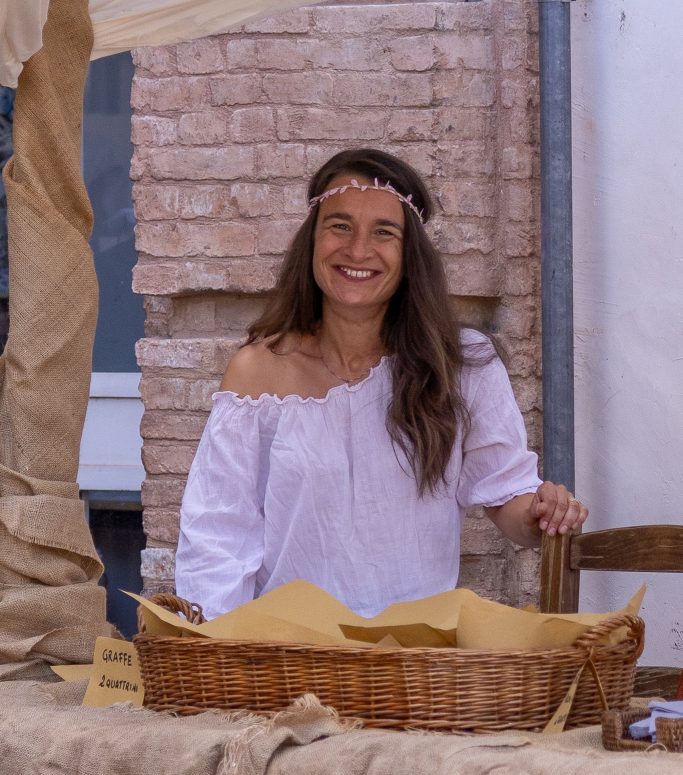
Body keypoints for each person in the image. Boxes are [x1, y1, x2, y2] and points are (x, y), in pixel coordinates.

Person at [175, 149, 588, 619]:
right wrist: (215, 644)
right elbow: (218, 532)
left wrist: (541, 514)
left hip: (414, 649)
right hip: (290, 649)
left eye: (384, 232)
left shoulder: (462, 364)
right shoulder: (257, 373)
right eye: (340, 226)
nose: (358, 250)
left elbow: (506, 492)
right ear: (312, 240)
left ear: (409, 255)